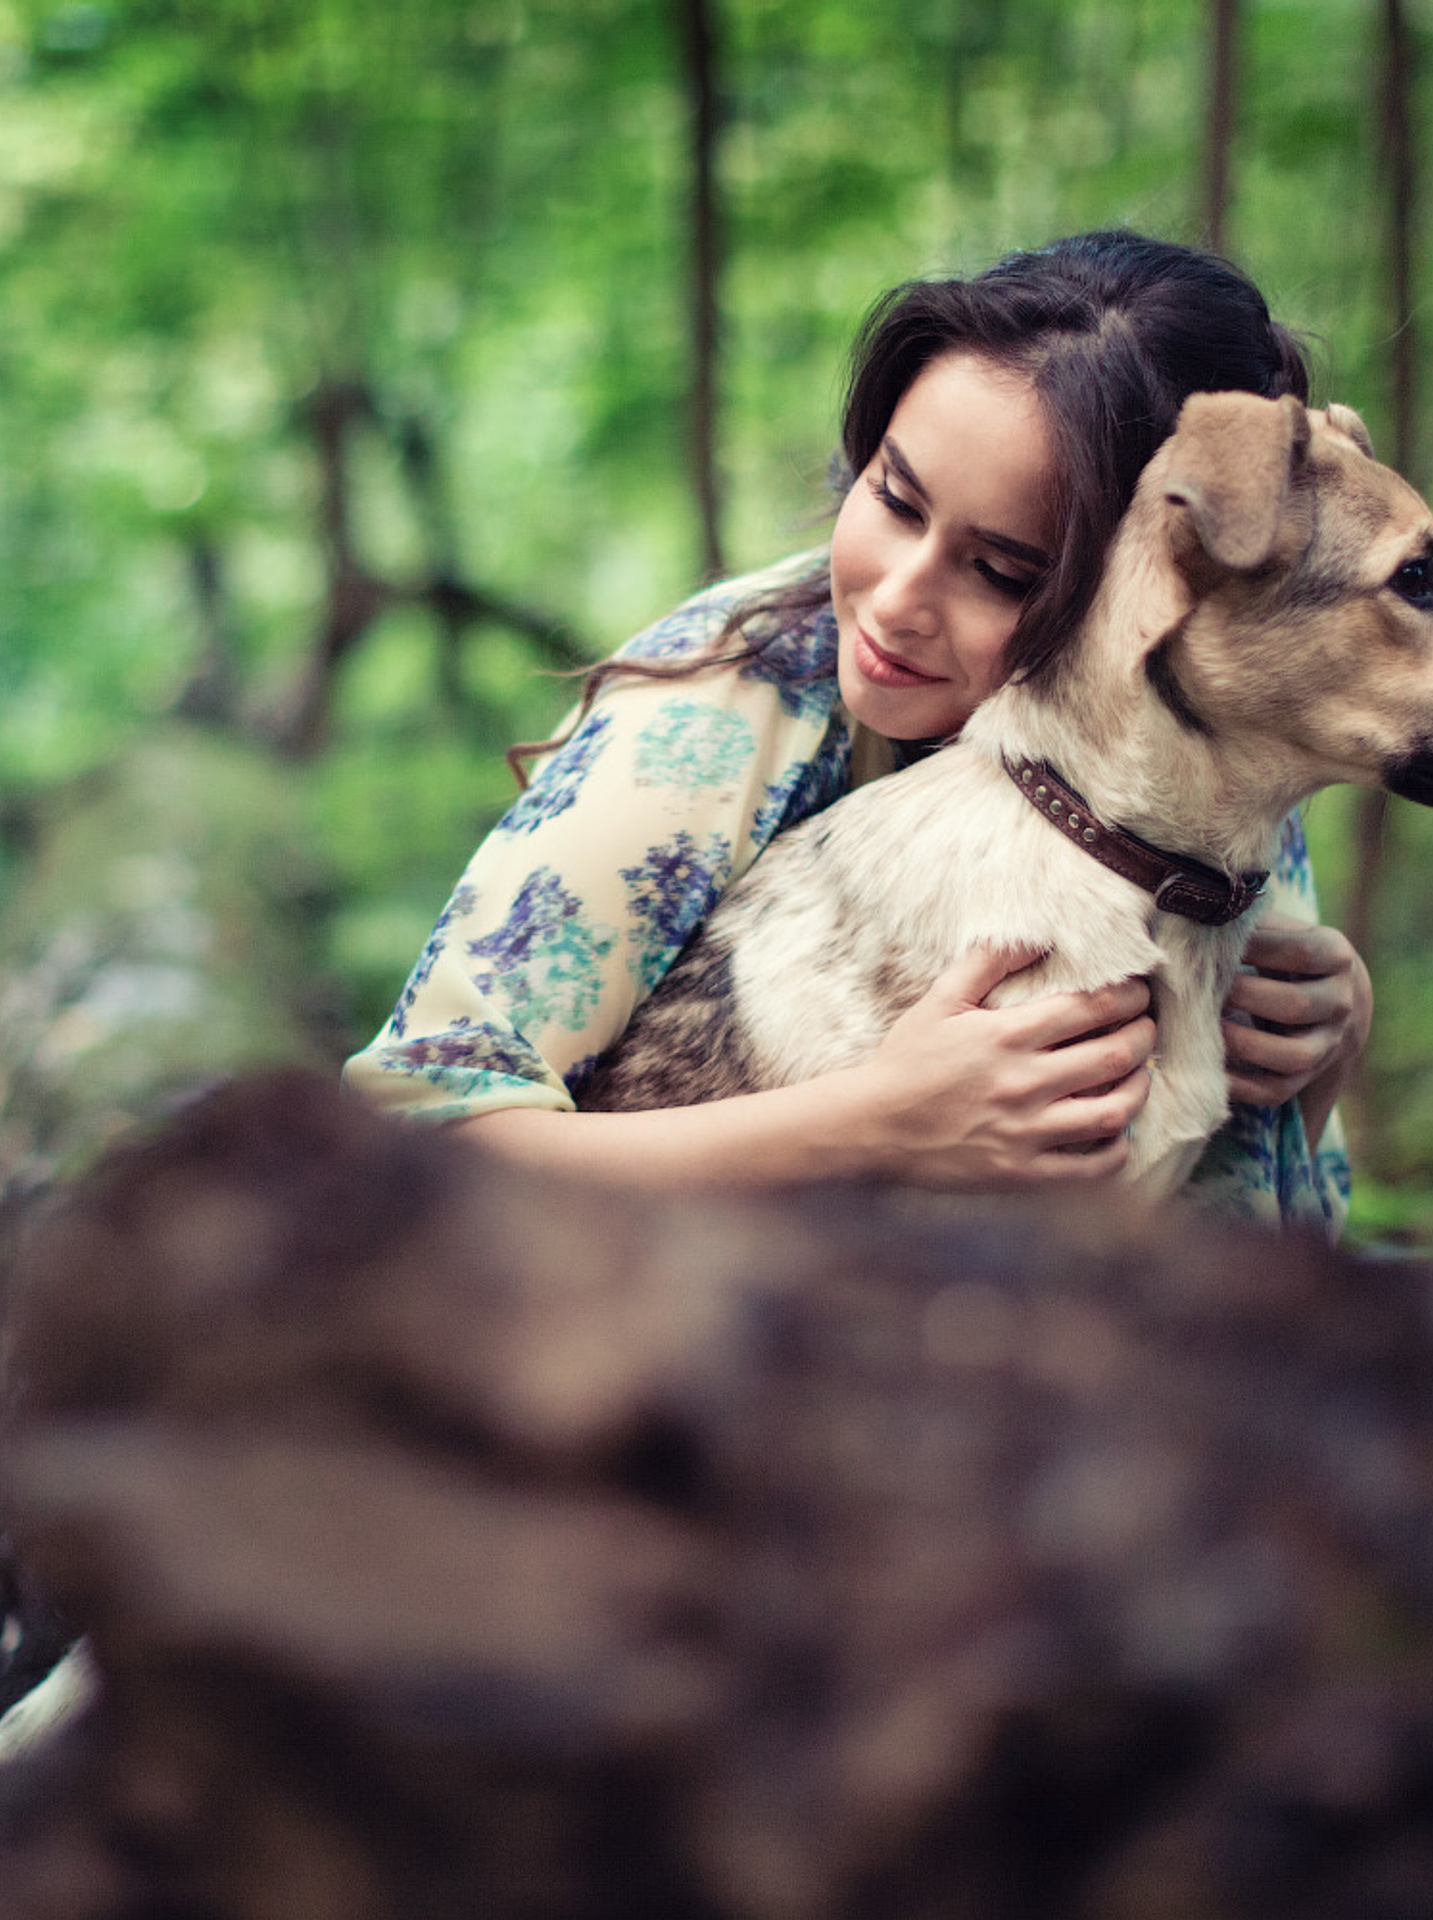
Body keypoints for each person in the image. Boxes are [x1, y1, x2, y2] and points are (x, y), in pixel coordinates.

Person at [343, 231, 1369, 1233]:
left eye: (1004, 573)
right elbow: (405, 1149)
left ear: (1149, 595)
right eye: (894, 498)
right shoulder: (708, 718)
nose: (898, 601)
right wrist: (876, 1123)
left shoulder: (1192, 766)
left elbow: (1253, 1252)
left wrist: (1324, 1051)